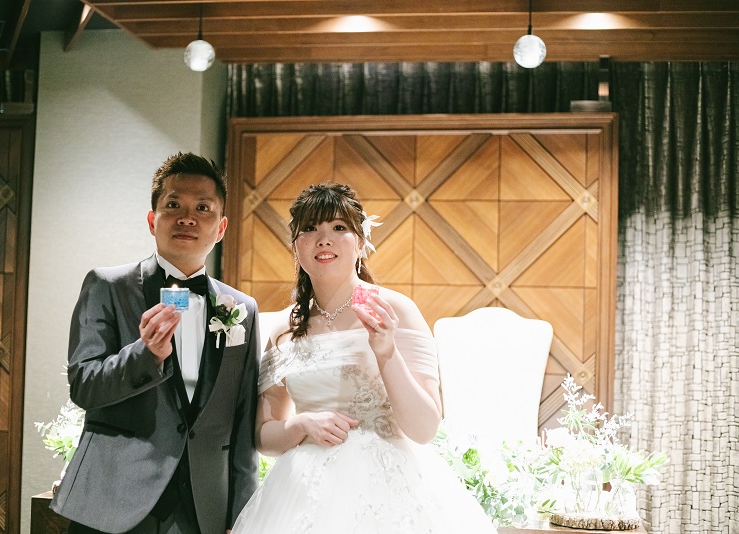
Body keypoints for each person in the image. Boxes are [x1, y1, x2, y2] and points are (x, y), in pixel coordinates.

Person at [231, 182, 497, 533]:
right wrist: (301, 424)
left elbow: (424, 429)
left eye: (338, 227)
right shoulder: (284, 326)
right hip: (302, 492)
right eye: (310, 228)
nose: (324, 239)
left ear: (360, 243)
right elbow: (263, 436)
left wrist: (387, 352)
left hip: (389, 486)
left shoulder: (395, 309)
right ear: (296, 247)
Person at [51, 153, 261, 534]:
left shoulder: (241, 309)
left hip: (203, 512)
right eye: (173, 205)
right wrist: (145, 355)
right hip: (113, 504)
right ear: (152, 221)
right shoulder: (107, 286)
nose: (187, 218)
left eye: (203, 208)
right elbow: (83, 386)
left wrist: (241, 515)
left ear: (221, 227)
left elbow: (243, 423)